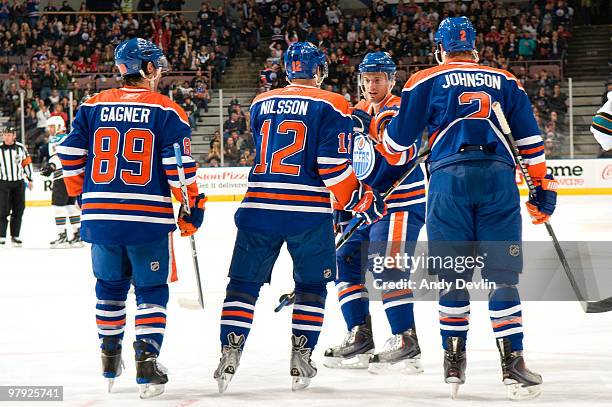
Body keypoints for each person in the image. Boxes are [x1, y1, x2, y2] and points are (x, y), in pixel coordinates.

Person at [371, 17, 555, 400]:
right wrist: (542, 189)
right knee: (503, 276)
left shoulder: (425, 79)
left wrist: (388, 138)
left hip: (448, 183)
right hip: (499, 182)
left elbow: (396, 146)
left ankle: (453, 361)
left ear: (440, 48)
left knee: (453, 277)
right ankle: (513, 364)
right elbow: (531, 142)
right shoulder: (505, 80)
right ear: (474, 47)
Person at [213, 42, 387, 393]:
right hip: (307, 214)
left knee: (243, 286)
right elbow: (332, 167)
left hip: (258, 207)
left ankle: (229, 353)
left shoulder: (261, 101)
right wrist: (359, 199)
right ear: (319, 71)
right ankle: (300, 359)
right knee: (311, 287)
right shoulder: (333, 103)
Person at [57, 38, 206, 399]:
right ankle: (146, 362)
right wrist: (192, 208)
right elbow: (180, 170)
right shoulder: (167, 110)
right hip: (147, 219)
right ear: (149, 68)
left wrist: (83, 195)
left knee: (108, 287)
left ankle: (110, 357)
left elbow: (69, 152)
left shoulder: (92, 105)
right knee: (151, 289)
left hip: (100, 216)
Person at [323, 52, 427, 374]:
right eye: (366, 79)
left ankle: (405, 341)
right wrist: (342, 207)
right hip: (365, 205)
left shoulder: (398, 111)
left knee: (387, 267)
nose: (371, 85)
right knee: (343, 263)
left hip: (399, 203)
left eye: (378, 79)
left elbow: (399, 157)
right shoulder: (357, 113)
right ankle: (360, 335)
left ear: (391, 80)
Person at [40, 115, 82, 248]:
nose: (50, 130)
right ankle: (77, 235)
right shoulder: (68, 137)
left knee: (58, 207)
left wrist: (51, 166)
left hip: (61, 176)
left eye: (52, 127)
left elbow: (58, 156)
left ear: (58, 126)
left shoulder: (56, 139)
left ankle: (62, 235)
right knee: (70, 206)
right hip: (71, 176)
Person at [0, 125, 33, 247]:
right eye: (5, 135)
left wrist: (30, 179)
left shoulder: (21, 148)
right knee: (2, 210)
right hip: (3, 183)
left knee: (18, 210)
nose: (6, 137)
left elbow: (27, 164)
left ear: (14, 136)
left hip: (18, 183)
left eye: (9, 135)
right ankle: (2, 236)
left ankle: (15, 236)